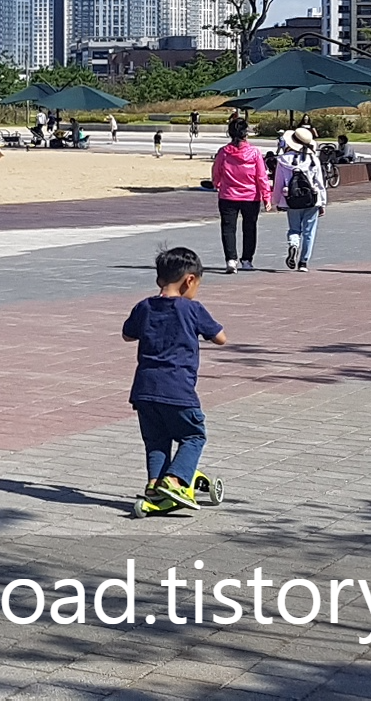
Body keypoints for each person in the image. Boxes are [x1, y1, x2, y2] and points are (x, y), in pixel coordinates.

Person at [122, 245, 229, 516]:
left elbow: (127, 335)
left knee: (156, 440)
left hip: (144, 389)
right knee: (193, 435)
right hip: (177, 389)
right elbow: (221, 338)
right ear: (189, 280)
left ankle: (154, 486)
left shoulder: (144, 307)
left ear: (159, 278)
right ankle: (175, 480)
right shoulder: (191, 309)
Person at [211, 117, 267, 271]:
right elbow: (261, 176)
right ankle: (247, 260)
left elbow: (216, 171)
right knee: (250, 228)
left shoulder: (223, 152)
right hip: (251, 196)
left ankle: (231, 259)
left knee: (228, 228)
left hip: (228, 194)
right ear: (246, 134)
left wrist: (217, 183)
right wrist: (266, 196)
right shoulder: (255, 152)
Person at [272, 126, 328, 271]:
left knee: (294, 229)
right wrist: (322, 203)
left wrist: (276, 201)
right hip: (312, 199)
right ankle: (303, 262)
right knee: (309, 231)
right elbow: (320, 183)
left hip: (292, 199)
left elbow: (278, 183)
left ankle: (293, 244)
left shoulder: (283, 160)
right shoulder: (313, 159)